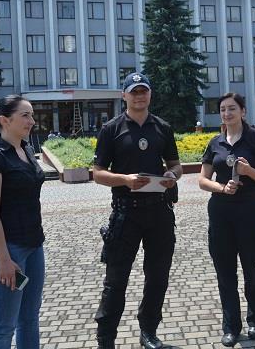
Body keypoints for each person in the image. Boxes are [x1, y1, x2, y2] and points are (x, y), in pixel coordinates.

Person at [92, 72, 183, 349]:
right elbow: (96, 174)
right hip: (125, 213)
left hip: (159, 212)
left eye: (144, 91)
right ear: (124, 96)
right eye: (134, 91)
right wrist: (125, 180)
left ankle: (148, 333)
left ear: (150, 94)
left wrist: (172, 175)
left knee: (158, 277)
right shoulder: (111, 129)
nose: (139, 95)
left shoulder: (162, 128)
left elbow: (176, 164)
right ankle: (106, 340)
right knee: (115, 282)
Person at [198, 93, 255, 347]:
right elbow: (202, 179)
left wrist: (248, 171)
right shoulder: (215, 142)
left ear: (242, 111)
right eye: (223, 109)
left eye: (232, 109)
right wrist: (220, 187)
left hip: (250, 211)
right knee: (225, 273)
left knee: (251, 268)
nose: (227, 113)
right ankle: (231, 327)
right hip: (220, 213)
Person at [0, 95, 46, 349]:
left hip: (34, 245)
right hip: (9, 250)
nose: (32, 121)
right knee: (4, 325)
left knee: (29, 319)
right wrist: (4, 260)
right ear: (5, 121)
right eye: (25, 116)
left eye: (31, 115)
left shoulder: (26, 150)